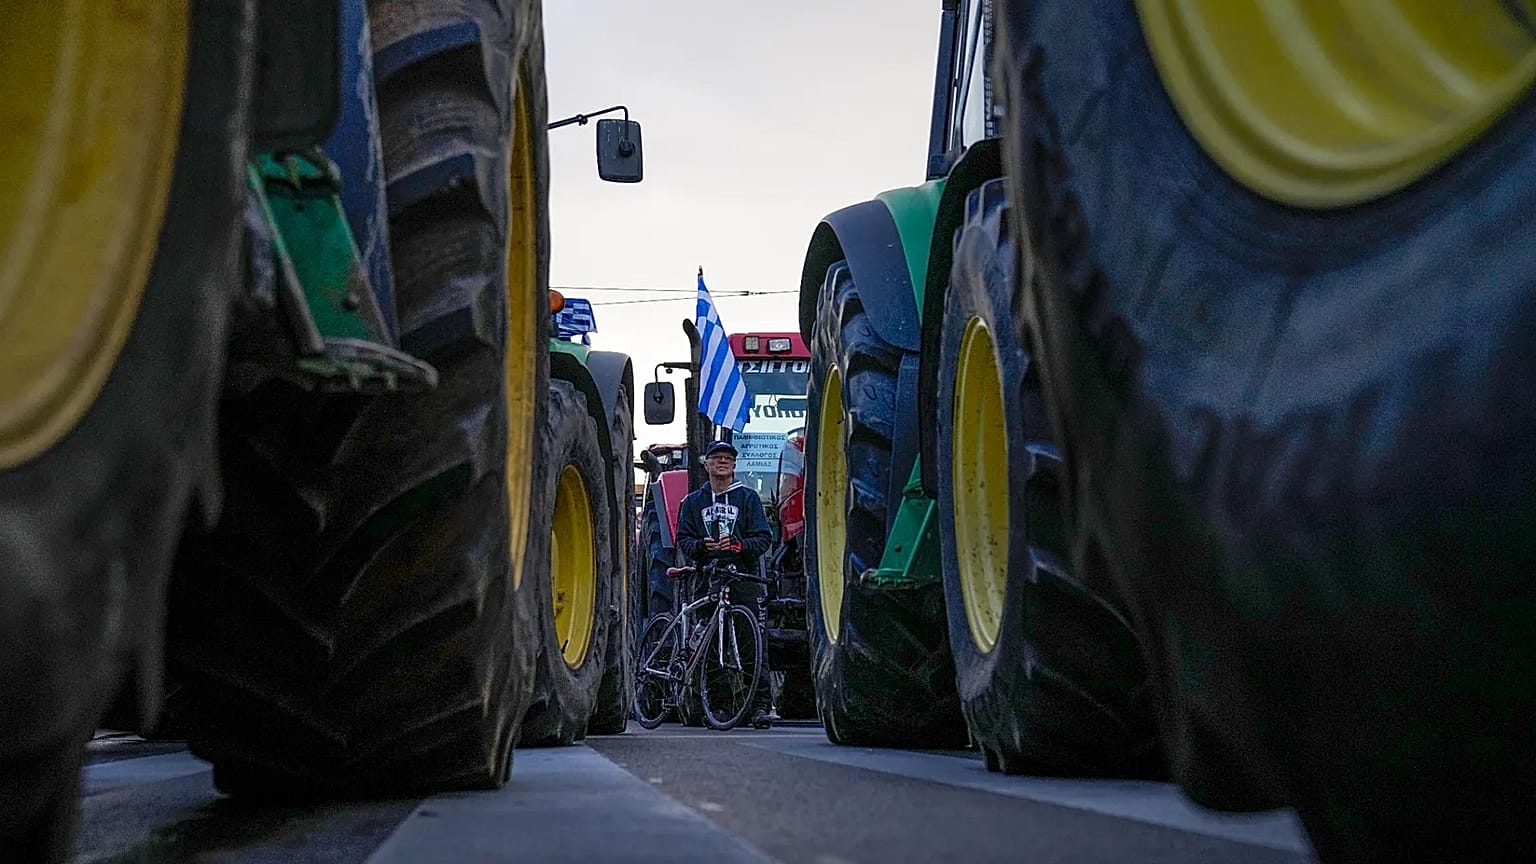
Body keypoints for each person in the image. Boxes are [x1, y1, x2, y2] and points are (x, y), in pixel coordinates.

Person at [674, 440, 776, 728]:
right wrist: (701, 547)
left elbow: (763, 538)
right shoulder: (693, 502)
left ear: (734, 466)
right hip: (708, 577)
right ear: (705, 464)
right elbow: (683, 537)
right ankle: (715, 705)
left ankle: (759, 707)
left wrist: (738, 546)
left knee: (751, 642)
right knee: (708, 643)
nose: (722, 462)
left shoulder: (748, 499)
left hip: (743, 579)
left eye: (728, 458)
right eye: (716, 458)